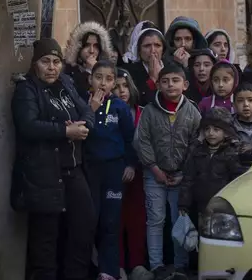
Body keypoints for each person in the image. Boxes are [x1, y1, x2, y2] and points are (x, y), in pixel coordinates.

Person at [10, 38, 96, 280]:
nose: (51, 67)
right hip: (44, 175)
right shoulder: (26, 89)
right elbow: (28, 125)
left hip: (73, 171)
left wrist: (83, 125)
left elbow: (86, 109)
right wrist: (64, 131)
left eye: (56, 62)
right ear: (35, 64)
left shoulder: (66, 83)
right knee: (45, 244)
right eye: (45, 61)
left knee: (83, 229)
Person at [135, 64, 201, 280]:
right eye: (165, 81)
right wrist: (154, 168)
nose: (170, 85)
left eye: (175, 80)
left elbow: (196, 144)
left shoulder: (193, 112)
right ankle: (156, 265)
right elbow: (141, 140)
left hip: (180, 176)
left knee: (178, 219)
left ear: (185, 84)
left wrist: (184, 173)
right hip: (154, 175)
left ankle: (180, 265)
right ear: (158, 84)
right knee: (155, 220)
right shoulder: (150, 111)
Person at [84, 61, 136, 280]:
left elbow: (130, 138)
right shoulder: (81, 103)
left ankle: (108, 272)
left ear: (114, 82)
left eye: (108, 79)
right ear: (90, 79)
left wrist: (131, 164)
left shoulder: (120, 107)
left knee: (110, 221)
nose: (102, 83)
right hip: (88, 170)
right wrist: (90, 110)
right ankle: (88, 268)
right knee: (89, 220)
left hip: (114, 171)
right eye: (98, 77)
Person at [113, 69, 147, 278]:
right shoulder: (106, 112)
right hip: (113, 174)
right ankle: (117, 265)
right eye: (116, 87)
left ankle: (137, 265)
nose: (121, 91)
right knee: (114, 221)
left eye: (124, 86)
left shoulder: (142, 112)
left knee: (137, 220)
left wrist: (133, 165)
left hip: (140, 175)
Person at [178, 108, 244, 218]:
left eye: (216, 129)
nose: (210, 133)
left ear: (226, 133)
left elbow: (237, 182)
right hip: (199, 208)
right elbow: (188, 180)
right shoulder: (197, 152)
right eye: (207, 129)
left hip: (224, 209)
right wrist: (183, 205)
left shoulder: (233, 154)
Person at [124, 22, 170, 106]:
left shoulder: (171, 67)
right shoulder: (130, 72)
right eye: (147, 46)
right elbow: (137, 101)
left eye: (157, 45)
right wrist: (152, 79)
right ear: (139, 50)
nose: (153, 50)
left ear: (163, 49)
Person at [64, 22, 115, 94]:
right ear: (78, 48)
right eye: (87, 45)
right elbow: (74, 94)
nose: (91, 51)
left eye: (96, 46)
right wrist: (88, 71)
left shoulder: (110, 69)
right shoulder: (67, 69)